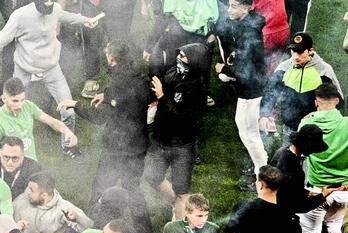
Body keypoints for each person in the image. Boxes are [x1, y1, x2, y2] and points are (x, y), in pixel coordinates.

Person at [0, 1, 100, 156]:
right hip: (24, 70)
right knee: (13, 108)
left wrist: (86, 20)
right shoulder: (20, 16)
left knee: (69, 111)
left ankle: (68, 147)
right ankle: (8, 145)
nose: (48, 9)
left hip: (51, 70)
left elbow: (67, 16)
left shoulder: (56, 9)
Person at [58, 39, 149, 203]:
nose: (105, 54)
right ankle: (141, 226)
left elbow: (99, 117)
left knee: (101, 187)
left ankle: (95, 222)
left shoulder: (118, 83)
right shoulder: (138, 76)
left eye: (107, 52)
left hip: (118, 148)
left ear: (112, 59)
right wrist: (107, 95)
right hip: (139, 144)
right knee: (133, 189)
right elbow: (131, 97)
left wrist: (75, 104)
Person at [143, 43, 208, 220]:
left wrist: (162, 97)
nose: (179, 59)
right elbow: (156, 93)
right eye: (179, 54)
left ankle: (179, 228)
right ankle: (176, 203)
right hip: (161, 139)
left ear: (195, 62)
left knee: (182, 190)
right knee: (151, 176)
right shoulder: (172, 72)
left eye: (184, 57)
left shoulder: (198, 88)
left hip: (182, 146)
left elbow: (181, 119)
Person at [216, 0, 268, 191]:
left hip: (252, 91)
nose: (229, 10)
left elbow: (244, 69)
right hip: (249, 89)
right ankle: (261, 172)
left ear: (247, 8)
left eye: (234, 6)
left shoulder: (249, 32)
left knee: (250, 135)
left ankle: (262, 176)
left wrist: (225, 70)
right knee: (246, 131)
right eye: (229, 5)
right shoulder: (247, 25)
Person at [298, 84, 348, 233]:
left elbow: (299, 155)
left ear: (316, 102)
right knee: (335, 223)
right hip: (344, 192)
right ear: (336, 100)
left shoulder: (307, 124)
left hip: (317, 191)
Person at [259, 32, 343, 143]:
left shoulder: (324, 70)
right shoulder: (284, 67)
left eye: (300, 52)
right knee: (289, 157)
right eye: (293, 51)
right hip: (289, 130)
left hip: (314, 131)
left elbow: (339, 102)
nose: (296, 56)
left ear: (310, 51)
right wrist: (264, 115)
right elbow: (270, 92)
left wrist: (319, 114)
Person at [0, 78, 78, 162]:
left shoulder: (28, 106)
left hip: (32, 163)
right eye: (15, 101)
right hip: (12, 167)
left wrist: (67, 131)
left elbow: (51, 121)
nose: (20, 106)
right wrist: (9, 151)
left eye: (22, 100)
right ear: (4, 98)